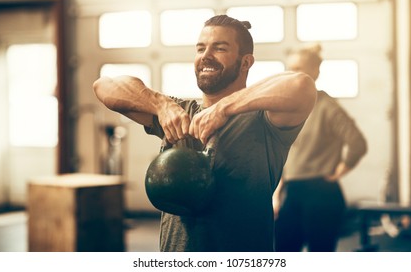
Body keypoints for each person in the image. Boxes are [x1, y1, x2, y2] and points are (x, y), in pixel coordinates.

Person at [93, 14, 317, 252]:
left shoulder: (263, 120)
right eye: (200, 48)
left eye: (219, 48)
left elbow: (302, 85)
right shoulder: (179, 111)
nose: (206, 56)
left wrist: (223, 108)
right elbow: (104, 87)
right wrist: (160, 104)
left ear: (245, 62)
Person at [272, 44, 368, 252]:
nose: (293, 75)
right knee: (283, 251)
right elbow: (288, 155)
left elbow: (357, 143)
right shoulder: (288, 107)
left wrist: (338, 171)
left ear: (315, 72)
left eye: (299, 68)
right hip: (293, 193)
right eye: (290, 68)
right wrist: (277, 194)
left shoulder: (326, 105)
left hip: (321, 194)